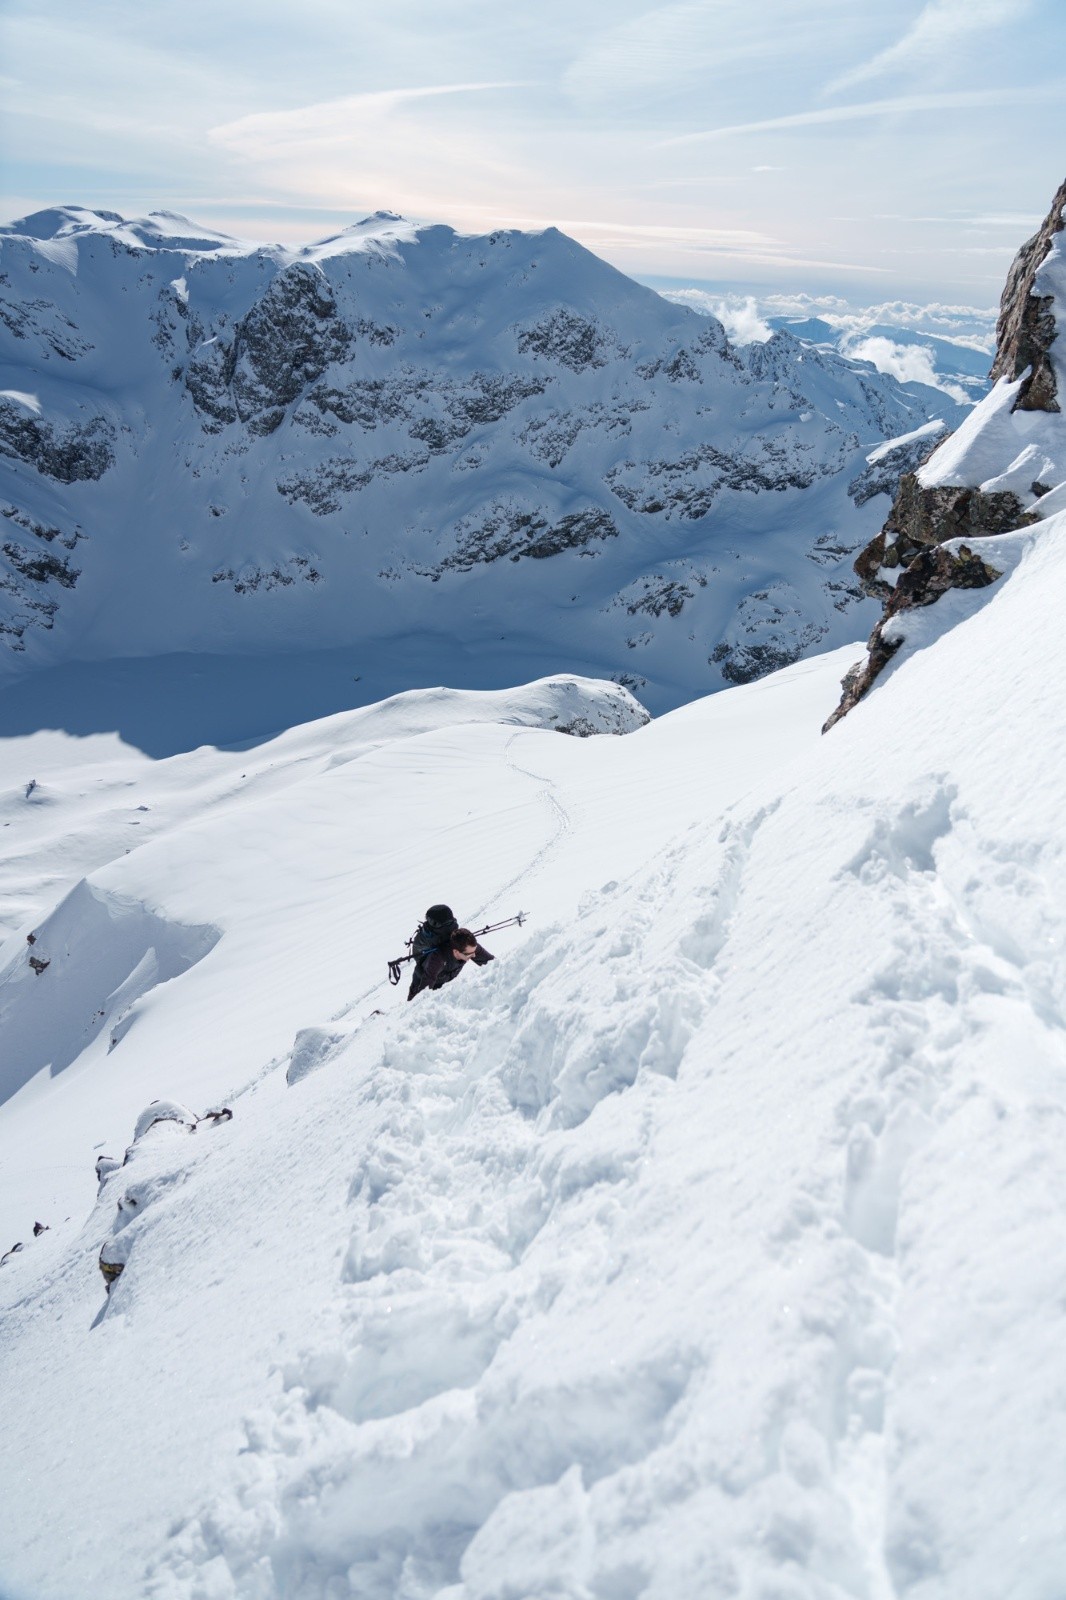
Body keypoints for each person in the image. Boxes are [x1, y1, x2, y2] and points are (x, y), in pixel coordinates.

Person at [407, 926, 494, 1002]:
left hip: (443, 983)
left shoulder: (469, 949)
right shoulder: (438, 959)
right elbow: (423, 995)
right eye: (469, 954)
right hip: (422, 982)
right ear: (456, 952)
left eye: (475, 951)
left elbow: (494, 964)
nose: (474, 955)